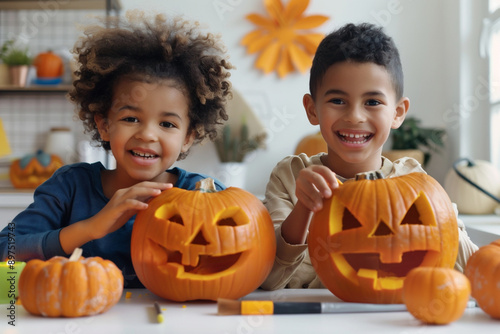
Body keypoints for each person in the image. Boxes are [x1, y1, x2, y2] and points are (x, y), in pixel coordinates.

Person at [0, 11, 233, 287]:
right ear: (104, 125)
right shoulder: (69, 187)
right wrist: (90, 228)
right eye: (130, 118)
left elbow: (243, 260)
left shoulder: (204, 195)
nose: (147, 134)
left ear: (188, 136)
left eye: (167, 124)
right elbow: (7, 251)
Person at [260, 23, 478, 290]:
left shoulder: (414, 181)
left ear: (398, 113)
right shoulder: (291, 177)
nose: (355, 116)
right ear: (312, 109)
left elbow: (472, 270)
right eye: (338, 101)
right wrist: (304, 207)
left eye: (372, 102)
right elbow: (268, 280)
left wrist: (443, 215)